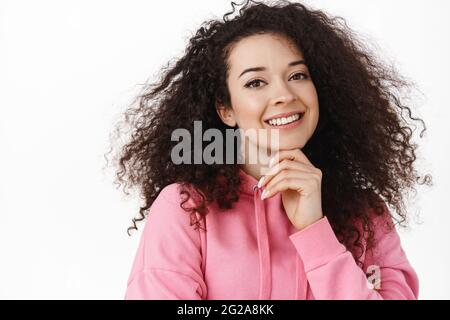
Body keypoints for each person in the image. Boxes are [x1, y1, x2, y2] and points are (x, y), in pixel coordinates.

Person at [109, 0, 432, 299]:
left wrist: (315, 231)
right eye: (255, 83)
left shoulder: (367, 215)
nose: (284, 95)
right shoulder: (187, 210)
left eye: (297, 75)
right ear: (226, 110)